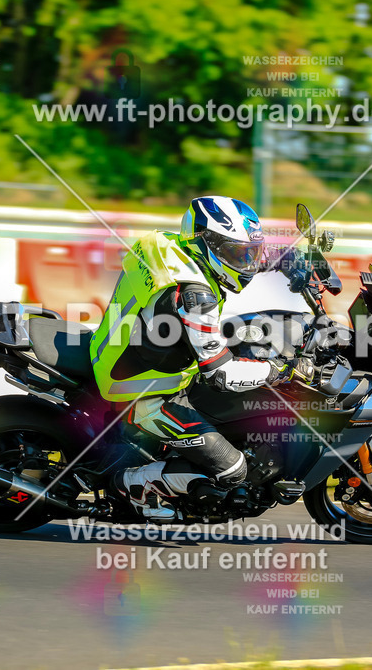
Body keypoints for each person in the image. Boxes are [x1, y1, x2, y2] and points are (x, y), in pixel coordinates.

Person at [90, 195, 313, 520]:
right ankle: (125, 485)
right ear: (209, 245)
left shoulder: (172, 246)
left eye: (248, 251)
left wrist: (289, 257)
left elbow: (244, 254)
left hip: (129, 347)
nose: (247, 262)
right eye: (239, 253)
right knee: (234, 470)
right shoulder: (195, 297)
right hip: (143, 391)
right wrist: (277, 371)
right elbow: (221, 374)